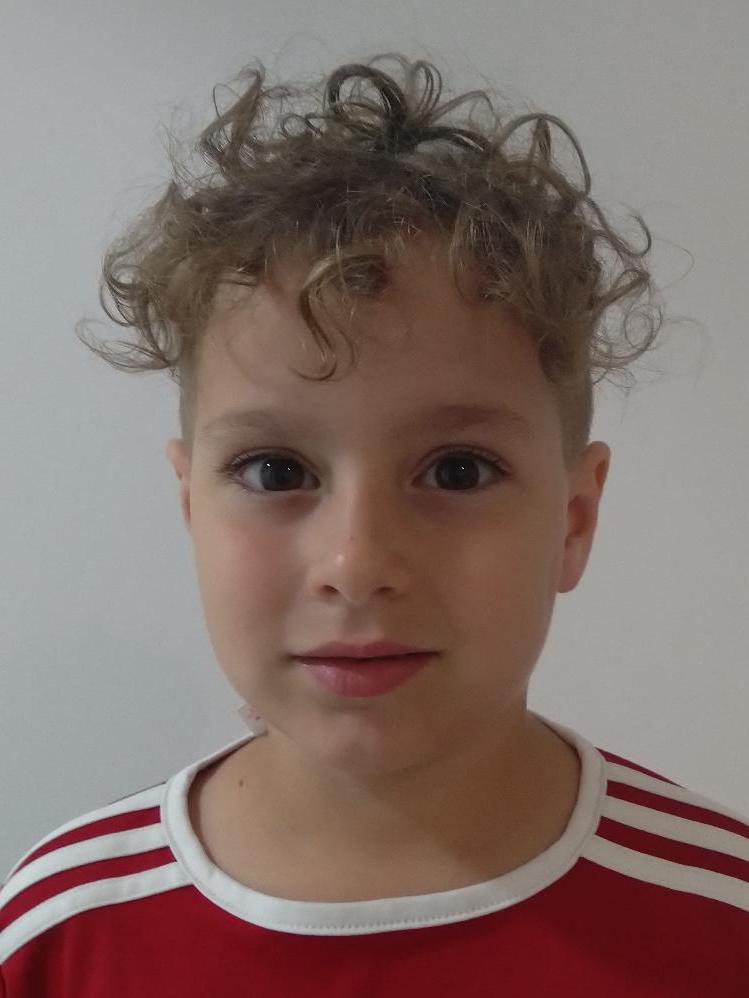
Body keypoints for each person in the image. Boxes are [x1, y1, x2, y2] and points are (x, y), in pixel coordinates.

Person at [1, 51, 747, 996]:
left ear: (573, 518)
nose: (354, 563)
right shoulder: (59, 939)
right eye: (275, 471)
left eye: (457, 470)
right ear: (191, 510)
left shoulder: (722, 924)